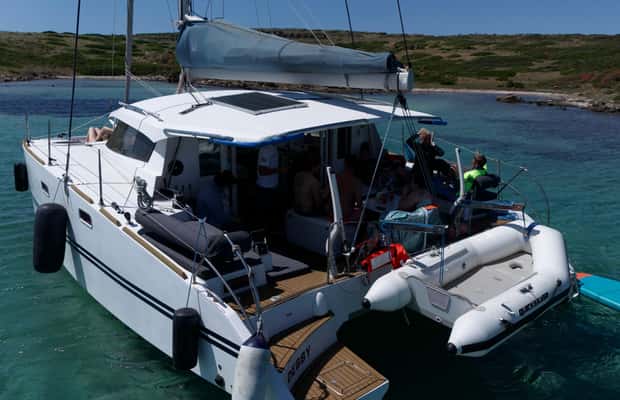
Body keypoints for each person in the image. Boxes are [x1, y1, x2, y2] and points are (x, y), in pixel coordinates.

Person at [255, 144, 281, 230]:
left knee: (268, 213)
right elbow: (262, 170)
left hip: (269, 187)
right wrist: (278, 170)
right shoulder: (267, 149)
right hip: (266, 188)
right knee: (266, 215)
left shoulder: (271, 147)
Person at [337, 155, 362, 221]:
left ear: (345, 164)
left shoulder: (336, 177)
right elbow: (359, 203)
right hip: (345, 215)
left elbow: (325, 194)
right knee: (362, 212)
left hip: (332, 212)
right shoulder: (356, 182)